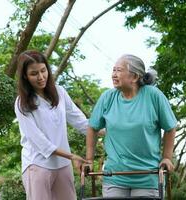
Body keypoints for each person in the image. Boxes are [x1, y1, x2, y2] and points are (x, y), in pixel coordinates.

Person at [86, 54, 177, 198]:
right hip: (115, 176)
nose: (114, 74)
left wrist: (167, 157)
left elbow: (170, 128)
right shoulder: (107, 97)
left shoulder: (153, 96)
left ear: (134, 77)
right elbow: (92, 127)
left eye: (119, 70)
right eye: (113, 70)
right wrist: (89, 160)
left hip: (148, 176)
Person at [15, 50, 88, 200]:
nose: (41, 77)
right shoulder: (22, 103)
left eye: (43, 70)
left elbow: (81, 122)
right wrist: (72, 156)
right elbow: (40, 142)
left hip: (63, 165)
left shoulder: (60, 92)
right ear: (25, 76)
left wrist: (110, 131)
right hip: (37, 165)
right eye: (34, 74)